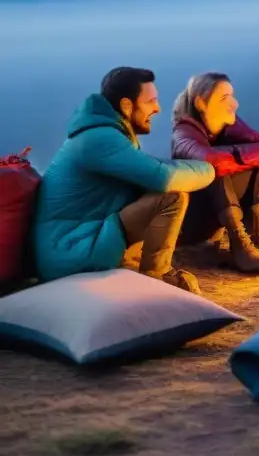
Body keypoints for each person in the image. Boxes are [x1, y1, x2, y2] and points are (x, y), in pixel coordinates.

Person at [33, 67, 215, 293]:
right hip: (69, 252)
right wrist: (211, 169)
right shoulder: (99, 139)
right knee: (170, 197)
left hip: (79, 241)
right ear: (127, 106)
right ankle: (156, 278)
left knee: (153, 190)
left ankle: (140, 269)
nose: (157, 108)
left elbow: (153, 167)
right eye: (151, 101)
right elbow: (164, 177)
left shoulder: (107, 135)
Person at [170, 72, 259, 274]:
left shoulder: (230, 126)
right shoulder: (183, 133)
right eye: (224, 98)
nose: (235, 103)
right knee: (211, 172)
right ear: (200, 103)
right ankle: (238, 241)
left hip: (228, 208)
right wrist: (238, 157)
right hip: (199, 218)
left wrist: (236, 157)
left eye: (232, 95)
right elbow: (209, 160)